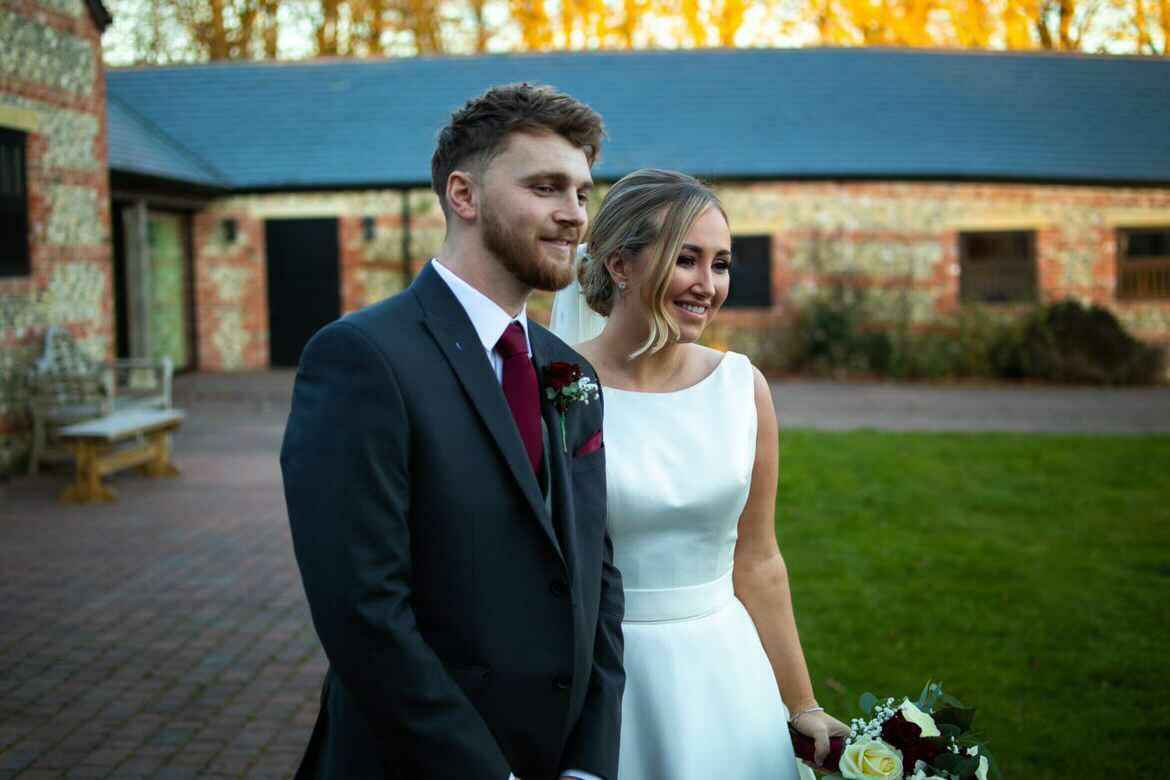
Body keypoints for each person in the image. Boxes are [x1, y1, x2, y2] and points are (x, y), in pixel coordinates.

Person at [281, 84, 624, 780]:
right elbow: (364, 613)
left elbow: (598, 575)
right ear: (463, 196)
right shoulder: (361, 358)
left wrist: (589, 760)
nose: (574, 217)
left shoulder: (567, 369)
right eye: (547, 187)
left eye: (583, 194)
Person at [549, 168, 848, 779]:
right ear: (620, 265)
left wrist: (803, 704)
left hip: (726, 675)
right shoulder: (557, 390)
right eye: (687, 260)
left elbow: (759, 559)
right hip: (605, 681)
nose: (707, 285)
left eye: (721, 264)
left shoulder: (743, 389)